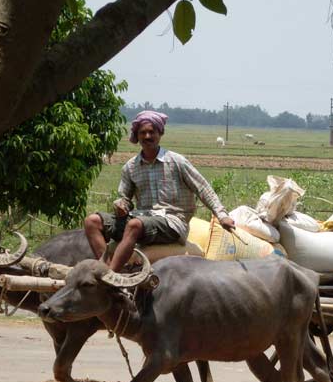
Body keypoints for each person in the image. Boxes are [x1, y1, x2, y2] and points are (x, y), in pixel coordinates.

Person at [84, 110, 235, 272]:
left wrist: (222, 215)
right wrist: (121, 205)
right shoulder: (130, 167)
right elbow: (124, 198)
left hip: (173, 222)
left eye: (151, 132)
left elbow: (203, 188)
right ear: (137, 136)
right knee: (91, 221)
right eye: (143, 133)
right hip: (142, 219)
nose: (147, 136)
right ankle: (105, 267)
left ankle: (110, 277)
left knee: (134, 225)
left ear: (160, 133)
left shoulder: (176, 161)